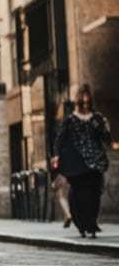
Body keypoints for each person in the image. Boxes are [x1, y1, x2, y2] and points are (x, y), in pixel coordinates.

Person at [51, 84, 111, 238]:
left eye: (87, 98)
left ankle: (91, 222)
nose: (85, 101)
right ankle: (83, 223)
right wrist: (56, 155)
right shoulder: (71, 119)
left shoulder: (97, 118)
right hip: (76, 162)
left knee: (94, 193)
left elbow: (106, 138)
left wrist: (105, 128)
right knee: (79, 194)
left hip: (95, 161)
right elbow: (60, 139)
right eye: (82, 98)